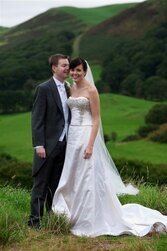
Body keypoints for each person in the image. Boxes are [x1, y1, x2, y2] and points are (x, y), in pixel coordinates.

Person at [52, 57, 167, 237]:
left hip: (86, 134)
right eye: (72, 70)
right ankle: (73, 212)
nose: (75, 73)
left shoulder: (91, 90)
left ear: (84, 71)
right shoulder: (71, 88)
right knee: (74, 174)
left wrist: (90, 145)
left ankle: (91, 217)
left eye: (78, 70)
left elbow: (96, 118)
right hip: (72, 137)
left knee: (87, 175)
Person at [28, 54, 70, 228]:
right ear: (54, 68)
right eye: (63, 65)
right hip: (47, 146)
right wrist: (39, 144)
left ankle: (52, 221)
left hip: (64, 145)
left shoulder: (68, 88)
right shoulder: (44, 88)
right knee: (41, 186)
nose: (67, 68)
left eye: (68, 65)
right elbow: (37, 118)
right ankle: (34, 223)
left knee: (56, 185)